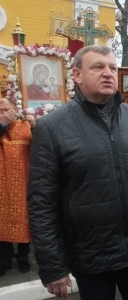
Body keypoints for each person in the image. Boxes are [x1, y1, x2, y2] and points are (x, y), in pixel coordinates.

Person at [28, 45, 128, 300]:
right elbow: (42, 202)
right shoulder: (52, 128)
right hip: (90, 255)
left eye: (113, 68)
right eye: (98, 67)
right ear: (76, 75)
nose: (108, 73)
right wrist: (52, 266)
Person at [0, 98, 34, 277]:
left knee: (24, 220)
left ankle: (23, 257)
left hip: (24, 183)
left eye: (7, 109)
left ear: (14, 109)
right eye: (0, 111)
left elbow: (42, 144)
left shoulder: (25, 126)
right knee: (2, 220)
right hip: (2, 185)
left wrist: (36, 126)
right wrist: (2, 125)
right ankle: (4, 259)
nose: (4, 113)